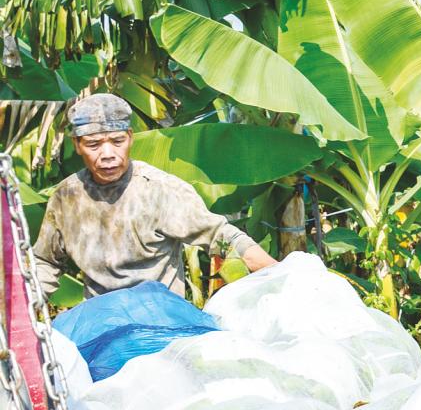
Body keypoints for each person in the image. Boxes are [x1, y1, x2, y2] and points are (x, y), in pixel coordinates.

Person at [33, 93, 277, 299]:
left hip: (161, 322)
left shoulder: (160, 190)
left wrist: (281, 275)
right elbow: (45, 261)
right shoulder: (67, 198)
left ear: (129, 137)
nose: (108, 154)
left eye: (117, 141)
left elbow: (222, 237)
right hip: (102, 326)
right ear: (77, 144)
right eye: (94, 145)